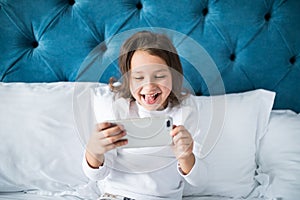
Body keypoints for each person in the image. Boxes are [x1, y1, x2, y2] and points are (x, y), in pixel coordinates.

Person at [82, 31, 206, 200]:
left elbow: (199, 179)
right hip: (116, 195)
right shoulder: (117, 108)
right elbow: (96, 175)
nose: (149, 86)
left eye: (160, 76)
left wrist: (186, 156)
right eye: (139, 77)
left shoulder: (186, 112)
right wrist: (93, 151)